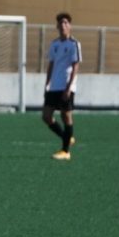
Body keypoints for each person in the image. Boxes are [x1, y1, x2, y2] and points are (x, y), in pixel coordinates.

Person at [43, 11, 81, 161]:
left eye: (66, 23)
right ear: (57, 26)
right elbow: (51, 64)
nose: (63, 25)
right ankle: (67, 137)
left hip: (66, 86)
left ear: (70, 26)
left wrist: (69, 87)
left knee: (66, 116)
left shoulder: (74, 44)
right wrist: (47, 84)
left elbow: (75, 66)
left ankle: (66, 151)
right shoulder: (55, 44)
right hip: (54, 86)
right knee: (46, 116)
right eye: (61, 23)